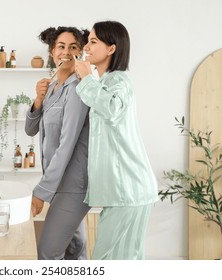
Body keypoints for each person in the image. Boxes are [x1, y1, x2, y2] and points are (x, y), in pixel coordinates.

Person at [74, 20, 159, 260]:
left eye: (93, 41)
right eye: (87, 41)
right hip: (127, 191)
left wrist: (85, 78)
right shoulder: (105, 83)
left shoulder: (118, 81)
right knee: (125, 260)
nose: (86, 47)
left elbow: (110, 108)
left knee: (108, 262)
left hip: (129, 190)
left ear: (111, 48)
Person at [25, 26, 91, 260]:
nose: (67, 52)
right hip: (59, 184)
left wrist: (42, 190)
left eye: (74, 47)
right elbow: (31, 129)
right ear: (52, 52)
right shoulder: (51, 87)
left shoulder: (79, 89)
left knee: (48, 253)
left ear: (81, 53)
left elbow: (67, 144)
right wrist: (39, 99)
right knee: (75, 248)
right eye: (61, 46)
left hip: (72, 185)